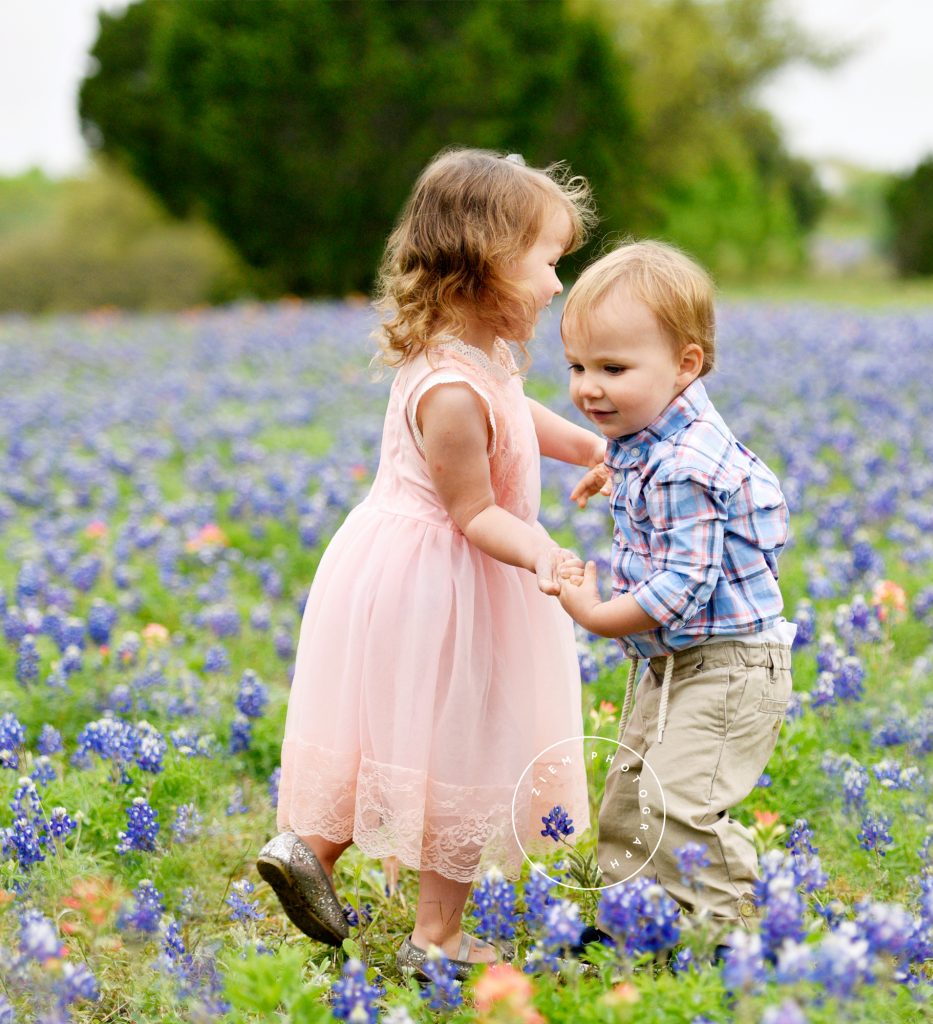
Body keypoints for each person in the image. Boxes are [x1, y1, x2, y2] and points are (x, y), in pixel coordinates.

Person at [259, 148, 604, 977]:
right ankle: (436, 940)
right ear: (482, 263)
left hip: (410, 572)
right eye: (548, 263)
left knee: (388, 741)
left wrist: (594, 445)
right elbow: (476, 512)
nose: (559, 285)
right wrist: (545, 556)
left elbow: (517, 416)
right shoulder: (448, 391)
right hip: (447, 582)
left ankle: (306, 853)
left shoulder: (475, 359)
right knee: (463, 753)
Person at [556, 240, 794, 934]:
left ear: (686, 365)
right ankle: (635, 918)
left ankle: (726, 930)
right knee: (628, 802)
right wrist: (613, 470)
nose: (588, 387)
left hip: (728, 666)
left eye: (612, 367)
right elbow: (649, 459)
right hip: (669, 660)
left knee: (680, 805)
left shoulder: (687, 464)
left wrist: (597, 615)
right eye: (576, 366)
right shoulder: (653, 431)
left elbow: (682, 584)